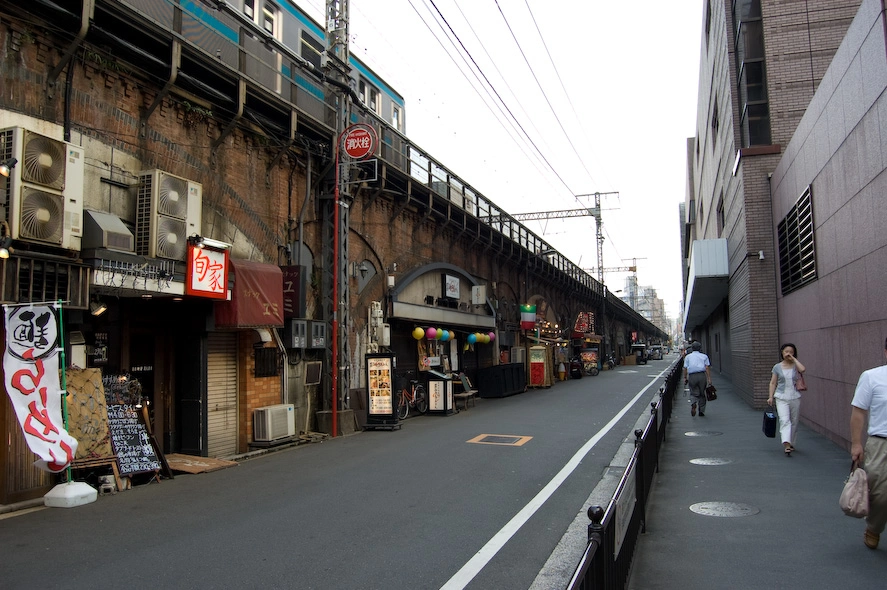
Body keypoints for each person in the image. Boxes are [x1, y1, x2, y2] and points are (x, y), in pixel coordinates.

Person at [850, 337, 887, 550]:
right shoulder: (872, 377)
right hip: (880, 444)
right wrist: (856, 444)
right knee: (881, 496)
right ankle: (874, 527)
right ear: (885, 352)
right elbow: (859, 412)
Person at [767, 343, 806, 456]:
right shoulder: (777, 367)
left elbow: (803, 369)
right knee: (784, 420)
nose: (788, 353)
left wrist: (793, 359)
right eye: (786, 351)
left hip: (794, 396)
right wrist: (770, 397)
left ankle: (792, 441)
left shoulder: (795, 366)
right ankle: (786, 444)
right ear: (782, 353)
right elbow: (773, 382)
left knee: (794, 420)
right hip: (781, 396)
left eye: (791, 352)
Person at [682, 341, 711, 417]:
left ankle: (693, 403)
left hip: (692, 376)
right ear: (700, 348)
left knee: (693, 392)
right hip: (702, 375)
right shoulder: (704, 356)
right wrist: (709, 379)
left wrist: (685, 377)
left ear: (692, 348)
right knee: (702, 393)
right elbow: (707, 367)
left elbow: (685, 368)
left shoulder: (688, 357)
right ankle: (701, 410)